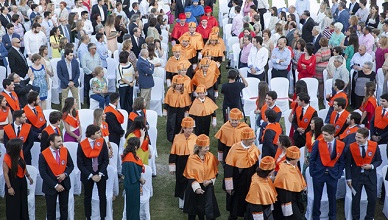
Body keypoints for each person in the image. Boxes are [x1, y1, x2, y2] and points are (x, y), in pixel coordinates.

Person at [309, 124, 345, 219]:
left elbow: (342, 162)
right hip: (319, 175)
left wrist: (338, 173)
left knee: (332, 197)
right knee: (317, 197)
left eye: (326, 135)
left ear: (332, 134)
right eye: (323, 134)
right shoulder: (318, 143)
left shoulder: (341, 145)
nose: (323, 136)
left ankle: (332, 216)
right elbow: (312, 159)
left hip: (333, 175)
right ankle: (316, 216)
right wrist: (313, 173)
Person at [346, 127, 382, 220]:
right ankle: (355, 218)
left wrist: (371, 166)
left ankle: (369, 217)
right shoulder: (351, 147)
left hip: (370, 177)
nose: (356, 139)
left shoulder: (374, 146)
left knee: (372, 199)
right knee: (356, 200)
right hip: (356, 177)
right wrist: (348, 178)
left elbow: (379, 160)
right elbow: (348, 164)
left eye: (359, 138)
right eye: (356, 137)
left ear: (366, 138)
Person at [224, 127, 260, 219]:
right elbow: (228, 168)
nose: (253, 140)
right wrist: (229, 186)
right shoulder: (234, 149)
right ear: (245, 139)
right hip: (237, 180)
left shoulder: (254, 148)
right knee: (235, 201)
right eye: (251, 139)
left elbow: (256, 166)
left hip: (249, 180)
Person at [183, 134, 220, 219]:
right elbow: (190, 176)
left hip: (207, 187)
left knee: (206, 210)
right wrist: (197, 188)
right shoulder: (191, 159)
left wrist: (210, 181)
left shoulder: (211, 157)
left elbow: (215, 172)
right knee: (192, 211)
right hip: (194, 188)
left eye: (208, 147)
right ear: (199, 148)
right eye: (205, 148)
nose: (208, 149)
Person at [77, 124, 109, 220]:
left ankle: (103, 216)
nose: (100, 134)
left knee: (102, 196)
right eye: (98, 132)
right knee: (87, 197)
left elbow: (105, 160)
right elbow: (80, 164)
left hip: (101, 174)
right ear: (91, 135)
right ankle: (88, 216)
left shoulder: (102, 142)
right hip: (88, 174)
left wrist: (100, 174)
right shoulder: (82, 145)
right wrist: (91, 175)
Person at [39, 133, 74, 220]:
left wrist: (65, 174)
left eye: (61, 141)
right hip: (50, 186)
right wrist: (55, 185)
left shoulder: (65, 150)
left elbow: (71, 166)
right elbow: (43, 173)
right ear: (51, 142)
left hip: (64, 184)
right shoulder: (43, 154)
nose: (61, 143)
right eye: (58, 141)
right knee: (51, 211)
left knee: (64, 209)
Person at [169, 117, 197, 208]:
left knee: (191, 181)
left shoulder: (195, 138)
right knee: (181, 181)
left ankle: (190, 201)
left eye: (191, 128)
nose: (190, 130)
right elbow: (173, 153)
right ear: (184, 128)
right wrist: (172, 167)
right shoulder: (177, 138)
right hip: (181, 162)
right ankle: (181, 203)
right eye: (188, 128)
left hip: (192, 162)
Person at [3, 138, 33, 219]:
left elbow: (23, 166)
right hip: (13, 182)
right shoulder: (7, 158)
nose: (22, 146)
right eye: (20, 145)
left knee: (23, 202)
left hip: (22, 181)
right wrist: (9, 187)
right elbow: (5, 174)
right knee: (14, 204)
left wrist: (28, 176)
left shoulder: (20, 153)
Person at [273, 146, 306, 219]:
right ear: (292, 159)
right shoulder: (284, 172)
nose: (298, 160)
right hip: (289, 199)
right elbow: (284, 191)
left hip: (295, 195)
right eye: (297, 158)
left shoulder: (292, 165)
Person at [122, 136, 146, 220]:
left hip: (132, 183)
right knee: (133, 206)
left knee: (134, 205)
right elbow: (133, 174)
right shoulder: (129, 159)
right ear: (136, 146)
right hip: (132, 184)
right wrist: (141, 179)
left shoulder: (131, 155)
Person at [163, 75, 191, 143]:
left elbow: (186, 103)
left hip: (181, 110)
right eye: (178, 84)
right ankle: (171, 139)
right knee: (171, 124)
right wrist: (165, 110)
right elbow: (167, 101)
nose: (179, 86)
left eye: (181, 84)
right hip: (172, 110)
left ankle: (179, 137)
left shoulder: (184, 91)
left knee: (179, 123)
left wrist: (186, 111)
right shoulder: (170, 91)